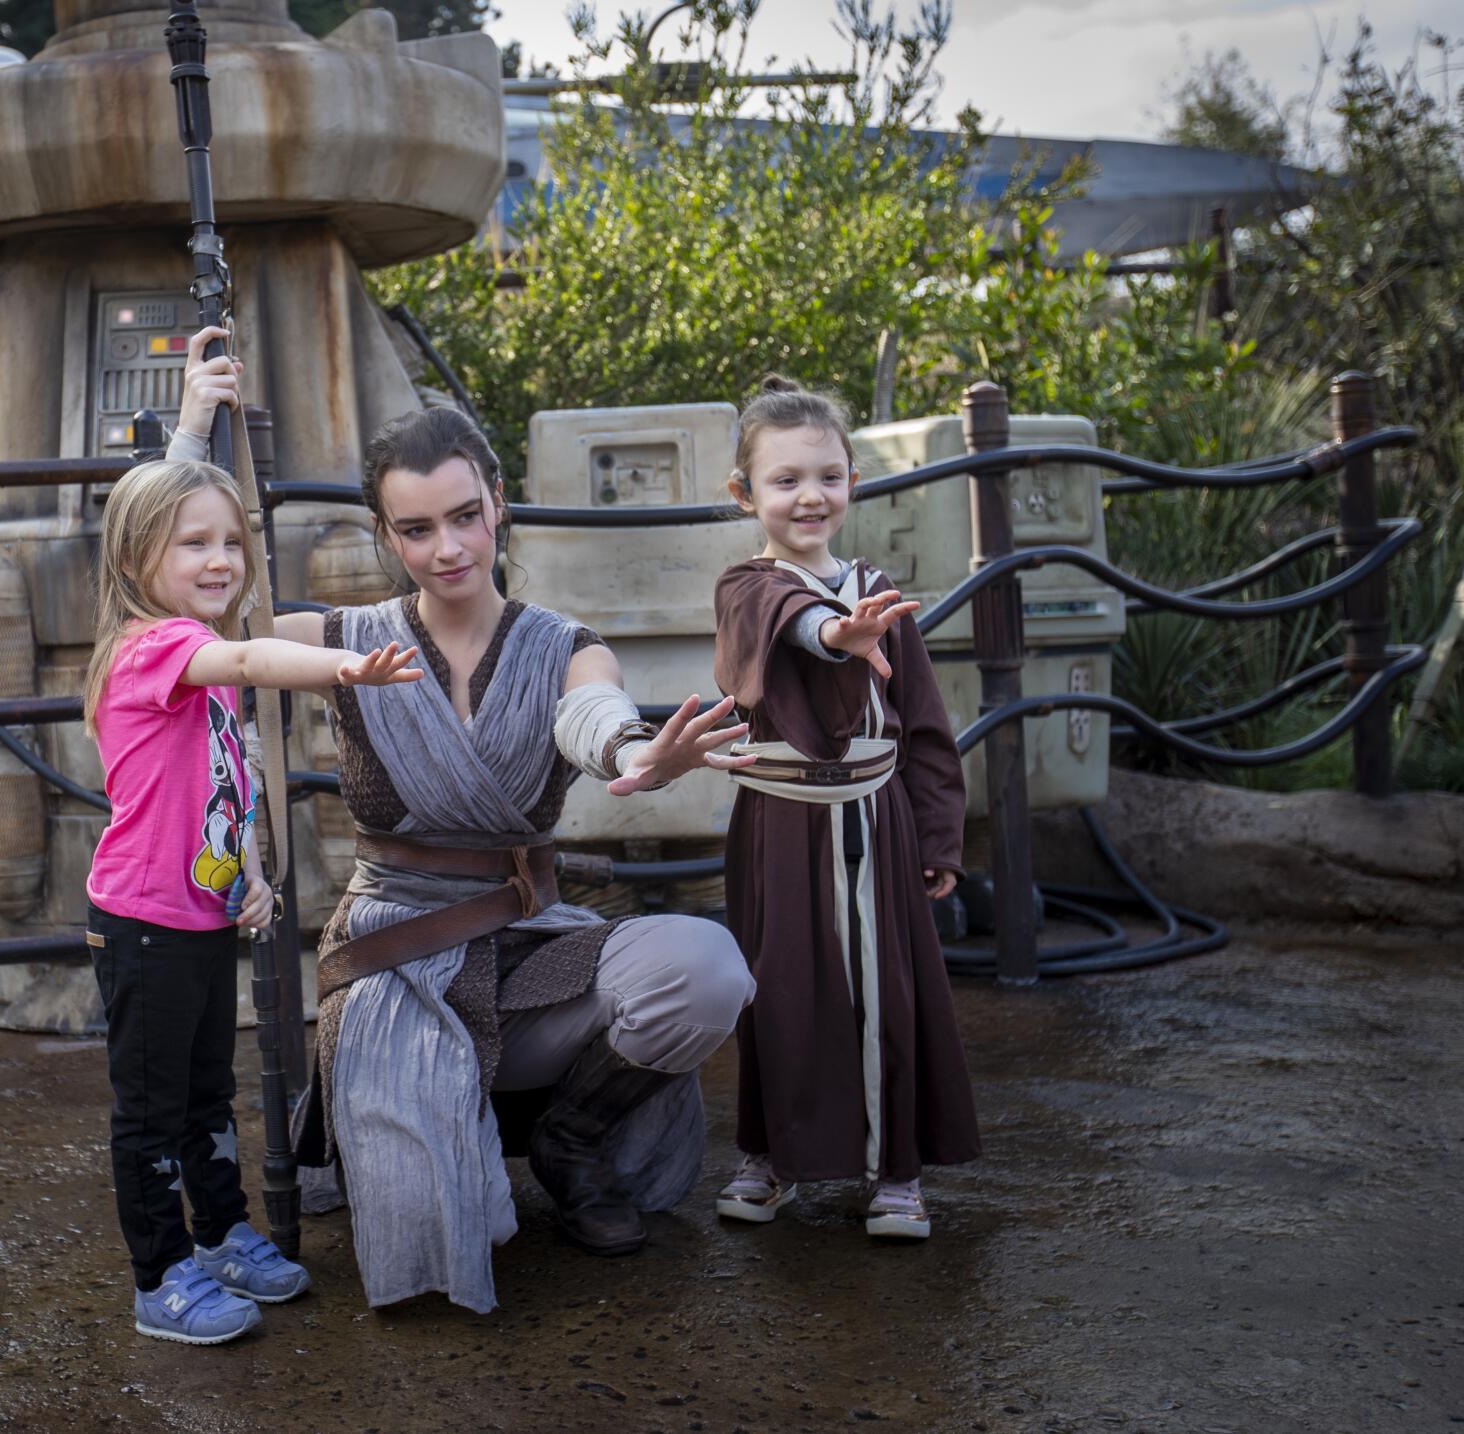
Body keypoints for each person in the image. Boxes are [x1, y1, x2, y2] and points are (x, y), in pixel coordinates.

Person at [167, 329, 758, 1312]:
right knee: (429, 1239)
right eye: (412, 529)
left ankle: (571, 1139)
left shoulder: (562, 643)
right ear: (384, 535)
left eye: (462, 518)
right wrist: (193, 432)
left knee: (705, 968)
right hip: (395, 957)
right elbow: (174, 592)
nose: (444, 549)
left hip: (527, 950)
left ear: (496, 506)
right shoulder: (336, 642)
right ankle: (410, 1128)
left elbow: (591, 713)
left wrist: (634, 753)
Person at [82, 449, 422, 1343]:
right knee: (151, 1111)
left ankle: (222, 1231)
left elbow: (222, 786)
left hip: (198, 915)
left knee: (203, 1095)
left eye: (232, 540)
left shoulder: (206, 653)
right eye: (193, 543)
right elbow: (257, 648)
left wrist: (255, 876)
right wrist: (342, 672)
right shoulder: (159, 646)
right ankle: (160, 1276)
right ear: (134, 562)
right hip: (142, 926)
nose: (220, 559)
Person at [711, 376, 980, 1241]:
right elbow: (791, 624)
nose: (809, 496)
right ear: (744, 493)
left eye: (827, 475)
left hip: (881, 820)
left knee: (889, 993)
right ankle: (771, 1155)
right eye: (785, 479)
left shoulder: (880, 591)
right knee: (778, 991)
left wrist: (940, 835)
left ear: (853, 483)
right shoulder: (747, 589)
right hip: (780, 829)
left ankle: (896, 1174)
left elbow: (927, 729)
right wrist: (838, 636)